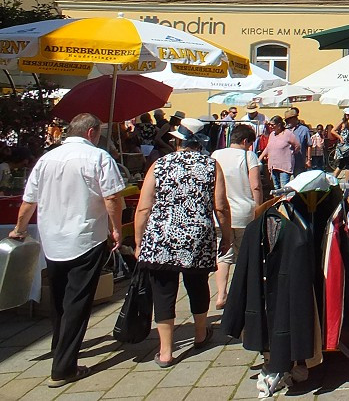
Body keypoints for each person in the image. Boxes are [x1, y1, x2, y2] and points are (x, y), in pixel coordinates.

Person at [7, 114, 124, 388]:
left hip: (53, 237)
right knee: (77, 302)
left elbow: (28, 200)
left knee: (60, 300)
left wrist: (20, 229)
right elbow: (112, 198)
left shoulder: (47, 159)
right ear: (92, 132)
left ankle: (61, 349)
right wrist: (116, 228)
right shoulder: (98, 158)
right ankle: (64, 366)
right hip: (85, 238)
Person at [134, 119, 230, 368]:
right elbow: (220, 206)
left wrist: (138, 240)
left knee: (163, 291)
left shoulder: (160, 164)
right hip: (197, 236)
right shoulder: (211, 165)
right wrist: (227, 236)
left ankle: (166, 351)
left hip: (161, 236)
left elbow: (144, 207)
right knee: (197, 284)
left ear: (177, 140)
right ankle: (200, 334)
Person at [210, 124, 262, 310]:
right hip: (244, 212)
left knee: (223, 255)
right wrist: (259, 209)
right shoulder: (249, 156)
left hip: (220, 212)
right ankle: (241, 294)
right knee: (244, 256)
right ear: (246, 141)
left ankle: (221, 294)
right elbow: (255, 185)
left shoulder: (216, 155)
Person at [258, 115, 299, 190]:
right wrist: (260, 158)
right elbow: (268, 147)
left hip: (284, 167)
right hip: (273, 166)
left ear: (279, 125)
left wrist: (291, 154)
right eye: (270, 124)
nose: (270, 126)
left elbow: (297, 145)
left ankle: (284, 201)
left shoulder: (288, 134)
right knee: (276, 188)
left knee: (284, 188)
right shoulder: (272, 134)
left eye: (273, 125)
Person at [283, 107, 311, 175]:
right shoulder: (284, 130)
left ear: (294, 118)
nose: (287, 122)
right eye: (286, 120)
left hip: (299, 162)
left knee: (299, 182)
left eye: (288, 120)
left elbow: (309, 145)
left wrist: (308, 160)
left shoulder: (304, 130)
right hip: (286, 162)